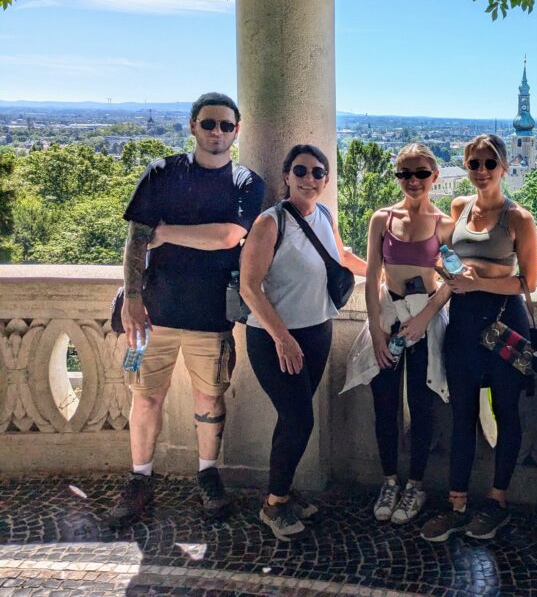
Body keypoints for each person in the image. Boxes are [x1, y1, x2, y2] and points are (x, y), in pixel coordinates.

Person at [106, 92, 265, 527]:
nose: (217, 132)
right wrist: (132, 298)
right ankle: (140, 478)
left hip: (211, 315)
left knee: (210, 398)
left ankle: (207, 474)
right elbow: (136, 239)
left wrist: (166, 233)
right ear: (193, 125)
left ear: (237, 131)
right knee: (145, 397)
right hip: (153, 314)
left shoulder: (246, 182)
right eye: (209, 123)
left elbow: (228, 236)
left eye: (226, 125)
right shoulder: (161, 173)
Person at [239, 144, 366, 541]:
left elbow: (340, 256)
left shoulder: (324, 215)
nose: (309, 178)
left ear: (326, 180)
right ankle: (273, 504)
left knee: (291, 418)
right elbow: (249, 287)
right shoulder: (270, 223)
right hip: (275, 338)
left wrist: (383, 273)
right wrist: (282, 337)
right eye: (300, 170)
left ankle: (283, 491)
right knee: (299, 419)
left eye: (317, 172)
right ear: (286, 176)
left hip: (317, 329)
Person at [420, 134, 537, 543]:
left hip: (504, 324)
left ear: (504, 167)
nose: (482, 171)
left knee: (506, 412)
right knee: (462, 416)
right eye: (474, 163)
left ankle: (496, 501)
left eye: (490, 163)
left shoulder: (519, 218)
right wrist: (449, 271)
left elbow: (528, 282)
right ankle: (457, 504)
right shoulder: (459, 207)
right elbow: (447, 256)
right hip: (464, 324)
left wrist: (479, 279)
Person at [363, 143, 454, 526]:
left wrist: (427, 316)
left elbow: (453, 278)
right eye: (404, 173)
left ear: (434, 175)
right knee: (384, 404)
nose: (412, 180)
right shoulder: (382, 219)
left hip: (424, 321)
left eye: (420, 173)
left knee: (421, 405)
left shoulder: (444, 224)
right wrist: (375, 330)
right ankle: (389, 481)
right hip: (388, 318)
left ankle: (415, 484)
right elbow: (372, 276)